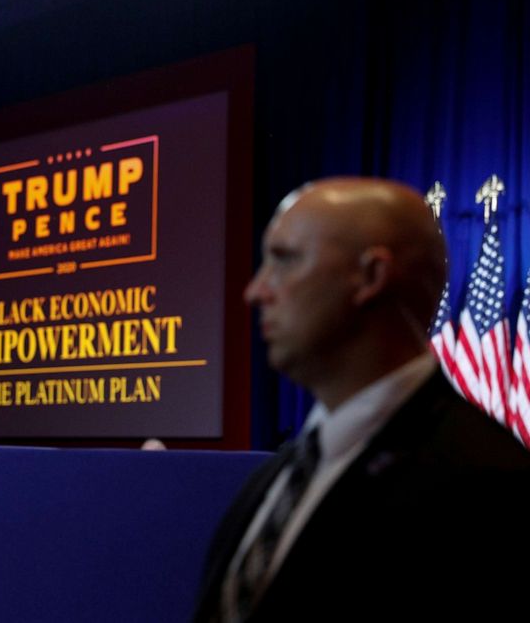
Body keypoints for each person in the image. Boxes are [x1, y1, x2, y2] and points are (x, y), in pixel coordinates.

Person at [194, 178, 530, 622]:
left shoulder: (489, 487)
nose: (255, 291)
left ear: (371, 277)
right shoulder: (277, 477)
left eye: (285, 260)